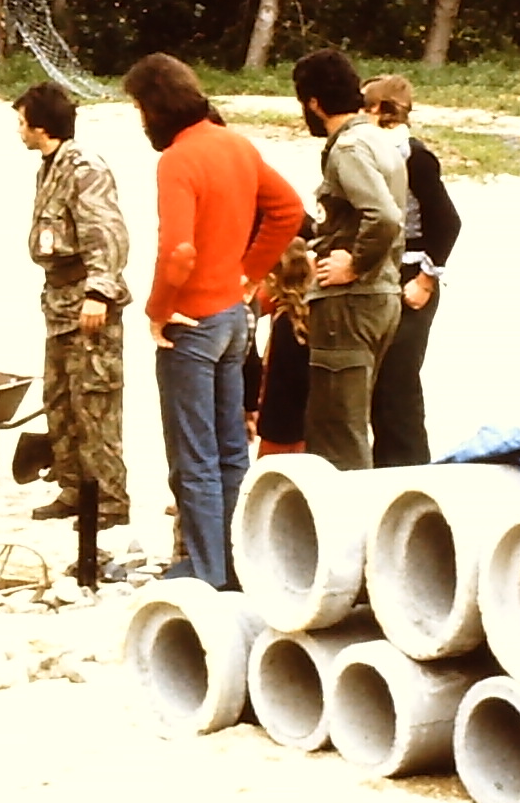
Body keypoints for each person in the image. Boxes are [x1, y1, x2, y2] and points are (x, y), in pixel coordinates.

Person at [128, 55, 303, 586]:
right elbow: (288, 210)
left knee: (194, 454)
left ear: (155, 108)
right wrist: (248, 273)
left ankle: (206, 570)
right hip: (233, 313)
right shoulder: (236, 144)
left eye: (139, 109)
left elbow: (178, 252)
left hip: (193, 319)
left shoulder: (179, 160)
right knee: (231, 448)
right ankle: (237, 560)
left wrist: (157, 311)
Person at [14, 82, 133, 526]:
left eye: (22, 122)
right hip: (58, 303)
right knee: (61, 401)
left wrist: (99, 291)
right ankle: (73, 487)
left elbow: (107, 233)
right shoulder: (49, 167)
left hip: (86, 300)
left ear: (41, 125)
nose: (19, 131)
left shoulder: (85, 168)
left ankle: (109, 501)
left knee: (96, 404)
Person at [293, 48, 409, 471]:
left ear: (314, 103)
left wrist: (354, 264)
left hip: (351, 301)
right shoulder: (379, 138)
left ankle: (347, 534)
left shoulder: (348, 149)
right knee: (352, 423)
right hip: (380, 297)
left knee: (336, 432)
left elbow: (385, 217)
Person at [362, 75, 462, 468]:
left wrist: (426, 278)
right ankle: (384, 466)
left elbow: (449, 221)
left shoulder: (415, 156)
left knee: (398, 384)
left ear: (380, 110)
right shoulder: (372, 151)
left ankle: (409, 470)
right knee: (379, 383)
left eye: (364, 104)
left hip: (414, 274)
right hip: (385, 274)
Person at [244, 236, 316, 457]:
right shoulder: (312, 316)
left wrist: (253, 409)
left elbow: (274, 379)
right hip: (308, 427)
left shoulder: (284, 324)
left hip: (279, 430)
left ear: (273, 279)